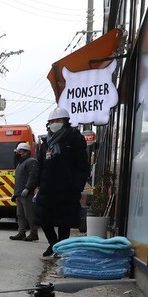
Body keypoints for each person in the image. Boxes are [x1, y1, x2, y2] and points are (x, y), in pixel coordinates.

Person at [35, 107, 90, 257]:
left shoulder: (74, 138)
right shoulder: (46, 141)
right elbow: (40, 164)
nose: (54, 123)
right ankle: (53, 244)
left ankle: (61, 246)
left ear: (65, 122)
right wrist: (36, 183)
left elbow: (82, 165)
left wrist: (77, 186)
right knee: (43, 218)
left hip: (67, 187)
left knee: (64, 220)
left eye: (58, 121)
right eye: (52, 121)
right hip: (47, 188)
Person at [10, 141, 40, 241]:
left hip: (27, 194)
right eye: (18, 151)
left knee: (29, 214)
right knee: (20, 214)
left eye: (20, 151)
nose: (18, 153)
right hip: (19, 193)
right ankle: (21, 232)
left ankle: (33, 233)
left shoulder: (31, 161)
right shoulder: (21, 163)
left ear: (26, 152)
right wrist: (15, 193)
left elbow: (33, 176)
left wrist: (28, 188)